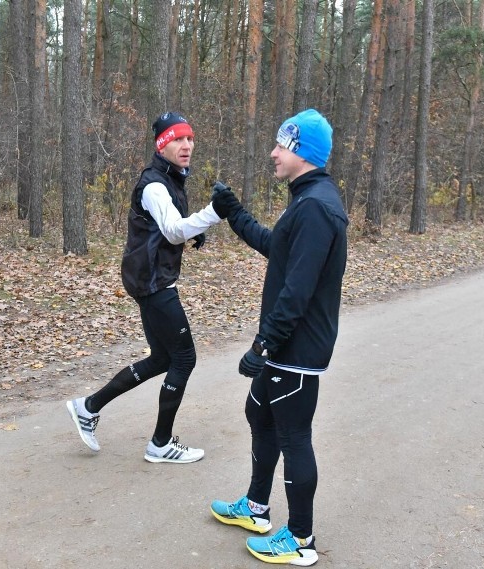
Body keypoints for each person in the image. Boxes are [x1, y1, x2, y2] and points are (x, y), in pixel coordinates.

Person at [208, 109, 348, 566]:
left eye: (281, 145)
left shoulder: (317, 208)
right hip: (285, 344)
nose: (273, 153)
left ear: (301, 152)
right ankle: (255, 508)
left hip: (296, 347)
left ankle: (302, 539)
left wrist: (263, 344)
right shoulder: (307, 200)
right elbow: (279, 250)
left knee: (293, 435)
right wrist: (235, 215)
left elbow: (298, 289)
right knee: (259, 414)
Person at [66, 112, 223, 464]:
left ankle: (88, 407)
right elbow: (170, 230)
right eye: (177, 140)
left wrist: (193, 231)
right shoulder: (154, 184)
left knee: (162, 359)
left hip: (149, 278)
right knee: (184, 358)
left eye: (189, 138)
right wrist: (214, 212)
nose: (186, 145)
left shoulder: (171, 179)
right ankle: (160, 443)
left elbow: (169, 227)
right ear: (162, 145)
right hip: (153, 283)